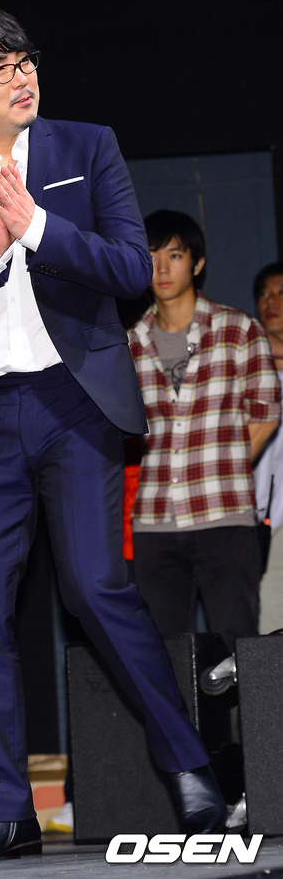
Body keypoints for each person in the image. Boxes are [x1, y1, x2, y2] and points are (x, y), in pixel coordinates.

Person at [0, 6, 226, 864]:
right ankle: (9, 810)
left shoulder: (87, 146)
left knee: (94, 585)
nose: (22, 79)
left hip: (75, 403)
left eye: (26, 62)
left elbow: (130, 268)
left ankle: (191, 767)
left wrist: (39, 228)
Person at [129, 210, 280, 655]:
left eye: (174, 255)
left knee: (239, 651)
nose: (161, 268)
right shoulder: (129, 343)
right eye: (151, 256)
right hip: (154, 519)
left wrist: (224, 466)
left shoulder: (239, 330)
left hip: (224, 514)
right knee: (165, 653)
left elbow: (266, 413)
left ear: (197, 263)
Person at [252, 262, 283, 632]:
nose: (270, 301)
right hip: (266, 522)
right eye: (264, 294)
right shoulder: (248, 370)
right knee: (269, 640)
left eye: (280, 293)